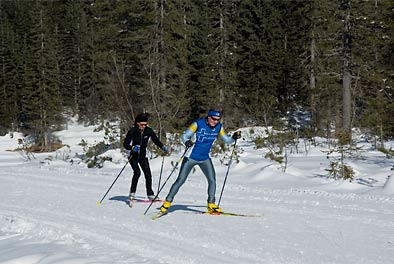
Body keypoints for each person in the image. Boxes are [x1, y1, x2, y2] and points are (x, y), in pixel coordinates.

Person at [160, 109, 241, 214]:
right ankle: (167, 202)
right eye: (213, 119)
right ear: (208, 117)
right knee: (181, 180)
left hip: (204, 158)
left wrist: (233, 138)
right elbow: (184, 136)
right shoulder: (197, 124)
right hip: (191, 157)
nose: (215, 121)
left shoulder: (219, 127)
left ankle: (211, 204)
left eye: (218, 119)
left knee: (212, 180)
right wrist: (187, 141)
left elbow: (227, 140)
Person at [123, 113, 168, 205]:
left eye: (145, 124)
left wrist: (162, 147)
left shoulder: (149, 131)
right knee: (137, 172)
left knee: (148, 174)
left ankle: (150, 194)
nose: (144, 126)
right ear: (137, 123)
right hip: (133, 155)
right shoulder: (133, 131)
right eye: (142, 124)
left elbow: (155, 140)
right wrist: (132, 147)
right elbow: (125, 144)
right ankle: (132, 193)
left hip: (143, 155)